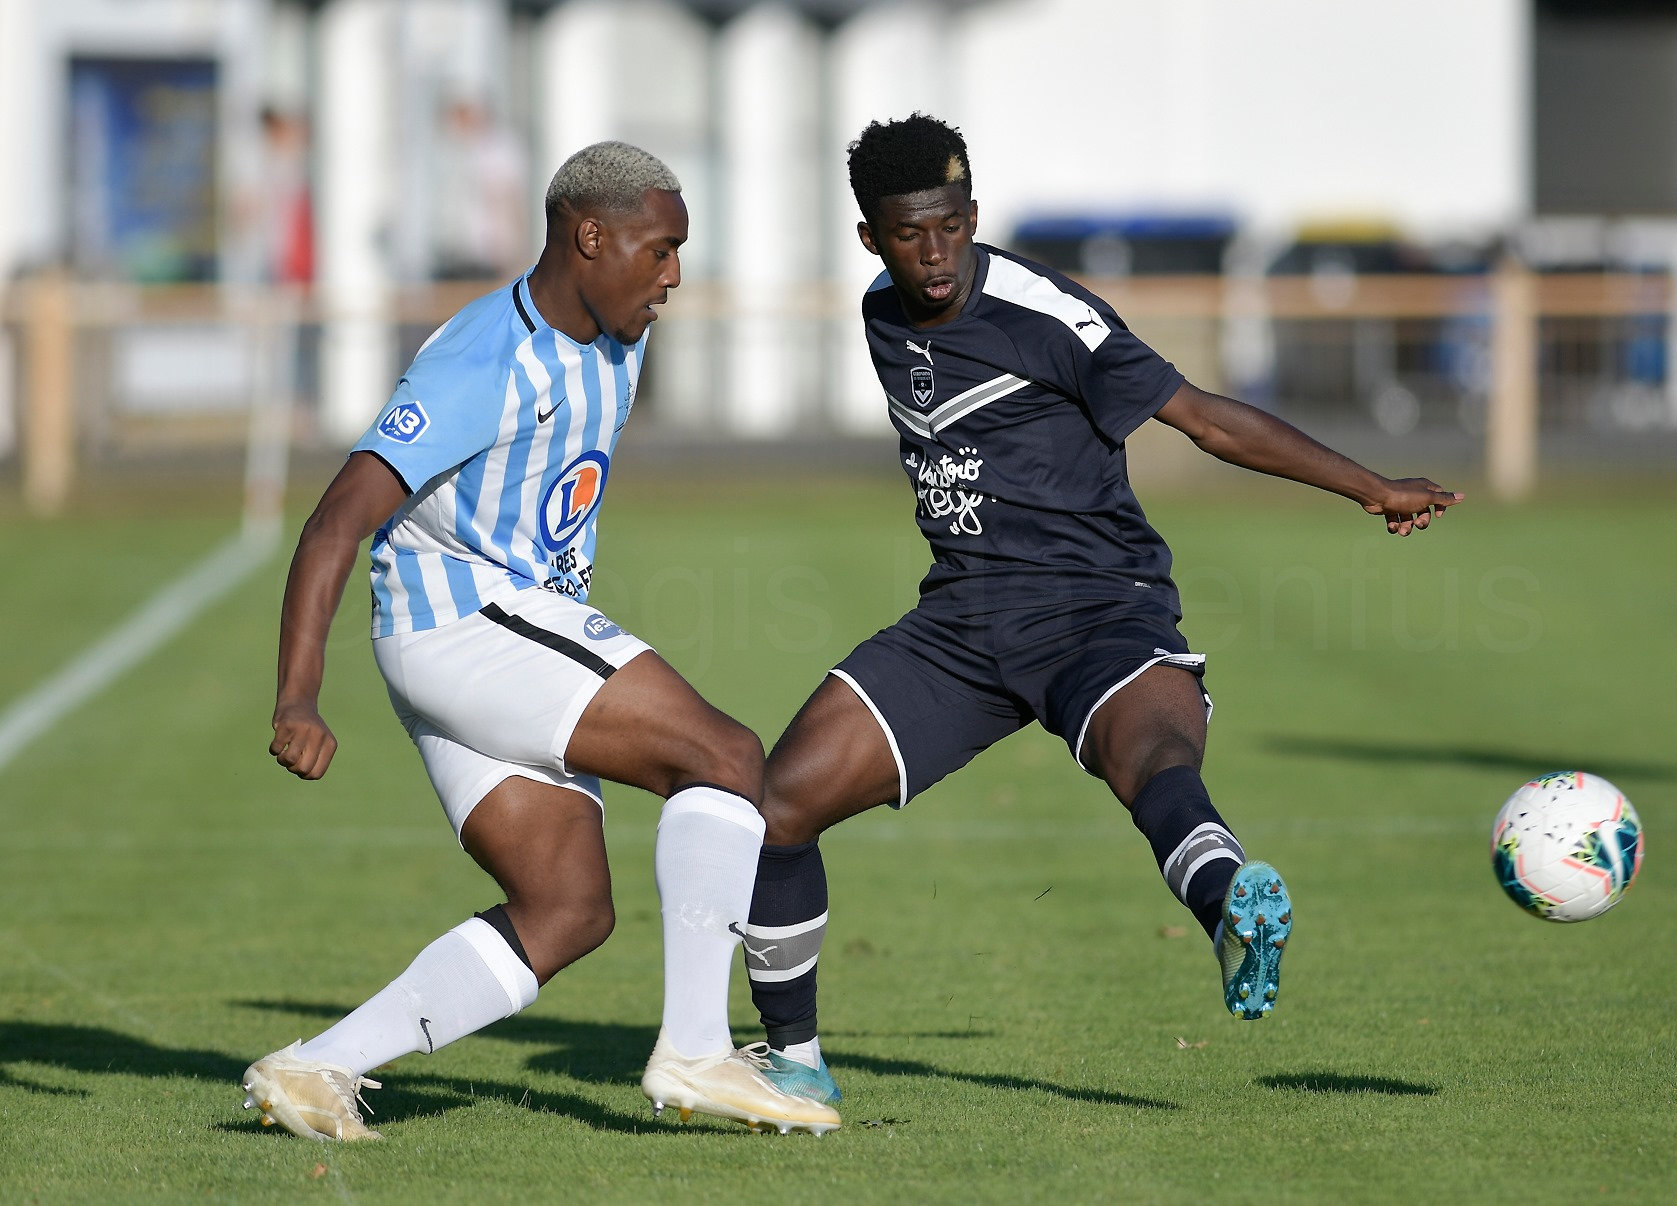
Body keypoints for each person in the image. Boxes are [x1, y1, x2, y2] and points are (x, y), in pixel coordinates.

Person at [738, 114, 1463, 1104]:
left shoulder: (1049, 315)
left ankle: (1229, 912)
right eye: (910, 233)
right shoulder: (881, 311)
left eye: (952, 225)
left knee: (1154, 763)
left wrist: (1371, 486)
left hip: (1097, 607)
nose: (936, 251)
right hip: (959, 623)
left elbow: (1206, 418)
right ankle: (794, 1069)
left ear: (974, 215)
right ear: (871, 239)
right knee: (779, 806)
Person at [240, 141, 839, 1139]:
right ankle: (694, 1053)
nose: (675, 275)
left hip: (476, 637)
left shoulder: (620, 329)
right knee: (725, 756)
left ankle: (316, 1068)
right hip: (467, 623)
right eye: (659, 250)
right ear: (587, 236)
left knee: (568, 908)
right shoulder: (484, 359)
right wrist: (298, 697)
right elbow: (336, 520)